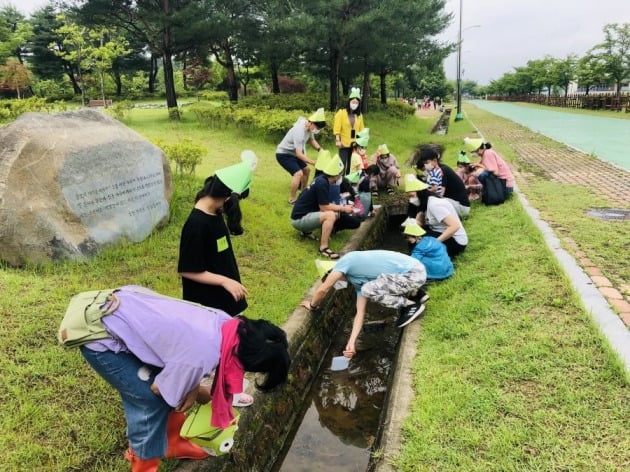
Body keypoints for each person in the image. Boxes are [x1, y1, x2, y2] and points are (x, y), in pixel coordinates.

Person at [79, 286, 290, 472]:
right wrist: (196, 392)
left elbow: (187, 352)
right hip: (99, 332)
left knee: (177, 386)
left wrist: (192, 385)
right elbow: (159, 388)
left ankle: (173, 442)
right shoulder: (202, 354)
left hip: (125, 305)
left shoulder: (228, 324)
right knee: (149, 400)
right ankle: (144, 464)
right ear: (248, 361)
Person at [302, 250, 427, 357]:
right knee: (368, 290)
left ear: (332, 273)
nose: (335, 284)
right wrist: (351, 342)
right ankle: (416, 294)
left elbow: (323, 289)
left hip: (413, 273)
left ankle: (411, 305)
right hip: (411, 276)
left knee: (368, 290)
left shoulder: (345, 261)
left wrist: (312, 305)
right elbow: (360, 313)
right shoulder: (357, 281)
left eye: (332, 280)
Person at [178, 159, 253, 317]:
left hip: (226, 296)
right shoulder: (196, 225)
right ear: (227, 198)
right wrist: (225, 281)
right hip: (208, 305)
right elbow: (187, 270)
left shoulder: (215, 212)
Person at [290, 154, 355, 259]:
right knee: (330, 215)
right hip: (298, 220)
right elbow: (324, 207)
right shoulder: (322, 183)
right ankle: (323, 248)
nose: (340, 177)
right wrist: (344, 208)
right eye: (340, 174)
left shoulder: (321, 179)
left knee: (335, 214)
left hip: (303, 215)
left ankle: (307, 231)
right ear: (335, 175)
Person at [409, 175, 468, 258]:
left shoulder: (434, 205)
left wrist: (436, 243)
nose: (411, 200)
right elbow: (420, 221)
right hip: (439, 232)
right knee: (414, 238)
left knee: (419, 243)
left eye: (411, 196)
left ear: (420, 192)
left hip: (456, 241)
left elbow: (455, 226)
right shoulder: (425, 203)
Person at [276, 108, 327, 204]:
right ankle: (292, 199)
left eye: (319, 129)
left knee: (307, 170)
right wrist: (313, 162)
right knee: (298, 173)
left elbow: (311, 140)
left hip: (293, 154)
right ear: (311, 122)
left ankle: (304, 193)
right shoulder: (299, 131)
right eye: (317, 128)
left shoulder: (310, 129)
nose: (317, 130)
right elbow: (299, 154)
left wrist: (320, 149)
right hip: (283, 154)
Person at [414, 144, 470, 218]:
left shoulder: (442, 171)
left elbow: (438, 193)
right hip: (453, 203)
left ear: (434, 160)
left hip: (461, 208)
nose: (425, 167)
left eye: (426, 163)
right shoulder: (435, 171)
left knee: (433, 201)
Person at [333, 87, 365, 175]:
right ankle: (340, 181)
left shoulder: (359, 115)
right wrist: (337, 140)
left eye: (356, 103)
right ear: (349, 102)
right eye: (353, 102)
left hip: (354, 144)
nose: (354, 104)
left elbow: (362, 130)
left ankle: (349, 182)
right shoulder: (341, 112)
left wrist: (362, 145)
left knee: (352, 164)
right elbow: (337, 128)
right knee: (342, 163)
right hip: (343, 143)